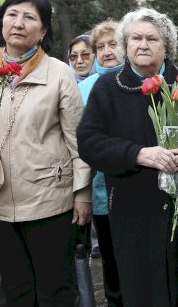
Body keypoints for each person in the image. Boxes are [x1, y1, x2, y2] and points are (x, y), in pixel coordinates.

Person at [77, 8, 178, 307]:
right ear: (125, 44)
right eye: (135, 38)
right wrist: (138, 154)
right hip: (134, 214)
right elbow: (89, 143)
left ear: (166, 46)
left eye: (151, 38)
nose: (142, 44)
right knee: (140, 295)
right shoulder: (108, 88)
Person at [0, 0, 91, 307]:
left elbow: (77, 139)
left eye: (29, 17)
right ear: (1, 23)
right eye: (12, 14)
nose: (18, 23)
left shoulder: (59, 74)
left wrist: (81, 193)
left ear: (42, 31)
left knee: (56, 290)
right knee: (16, 290)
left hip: (50, 201)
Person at [77, 20, 124, 305]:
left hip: (140, 191)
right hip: (101, 191)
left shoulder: (143, 80)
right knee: (111, 263)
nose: (107, 51)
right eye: (100, 46)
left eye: (113, 44)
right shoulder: (86, 88)